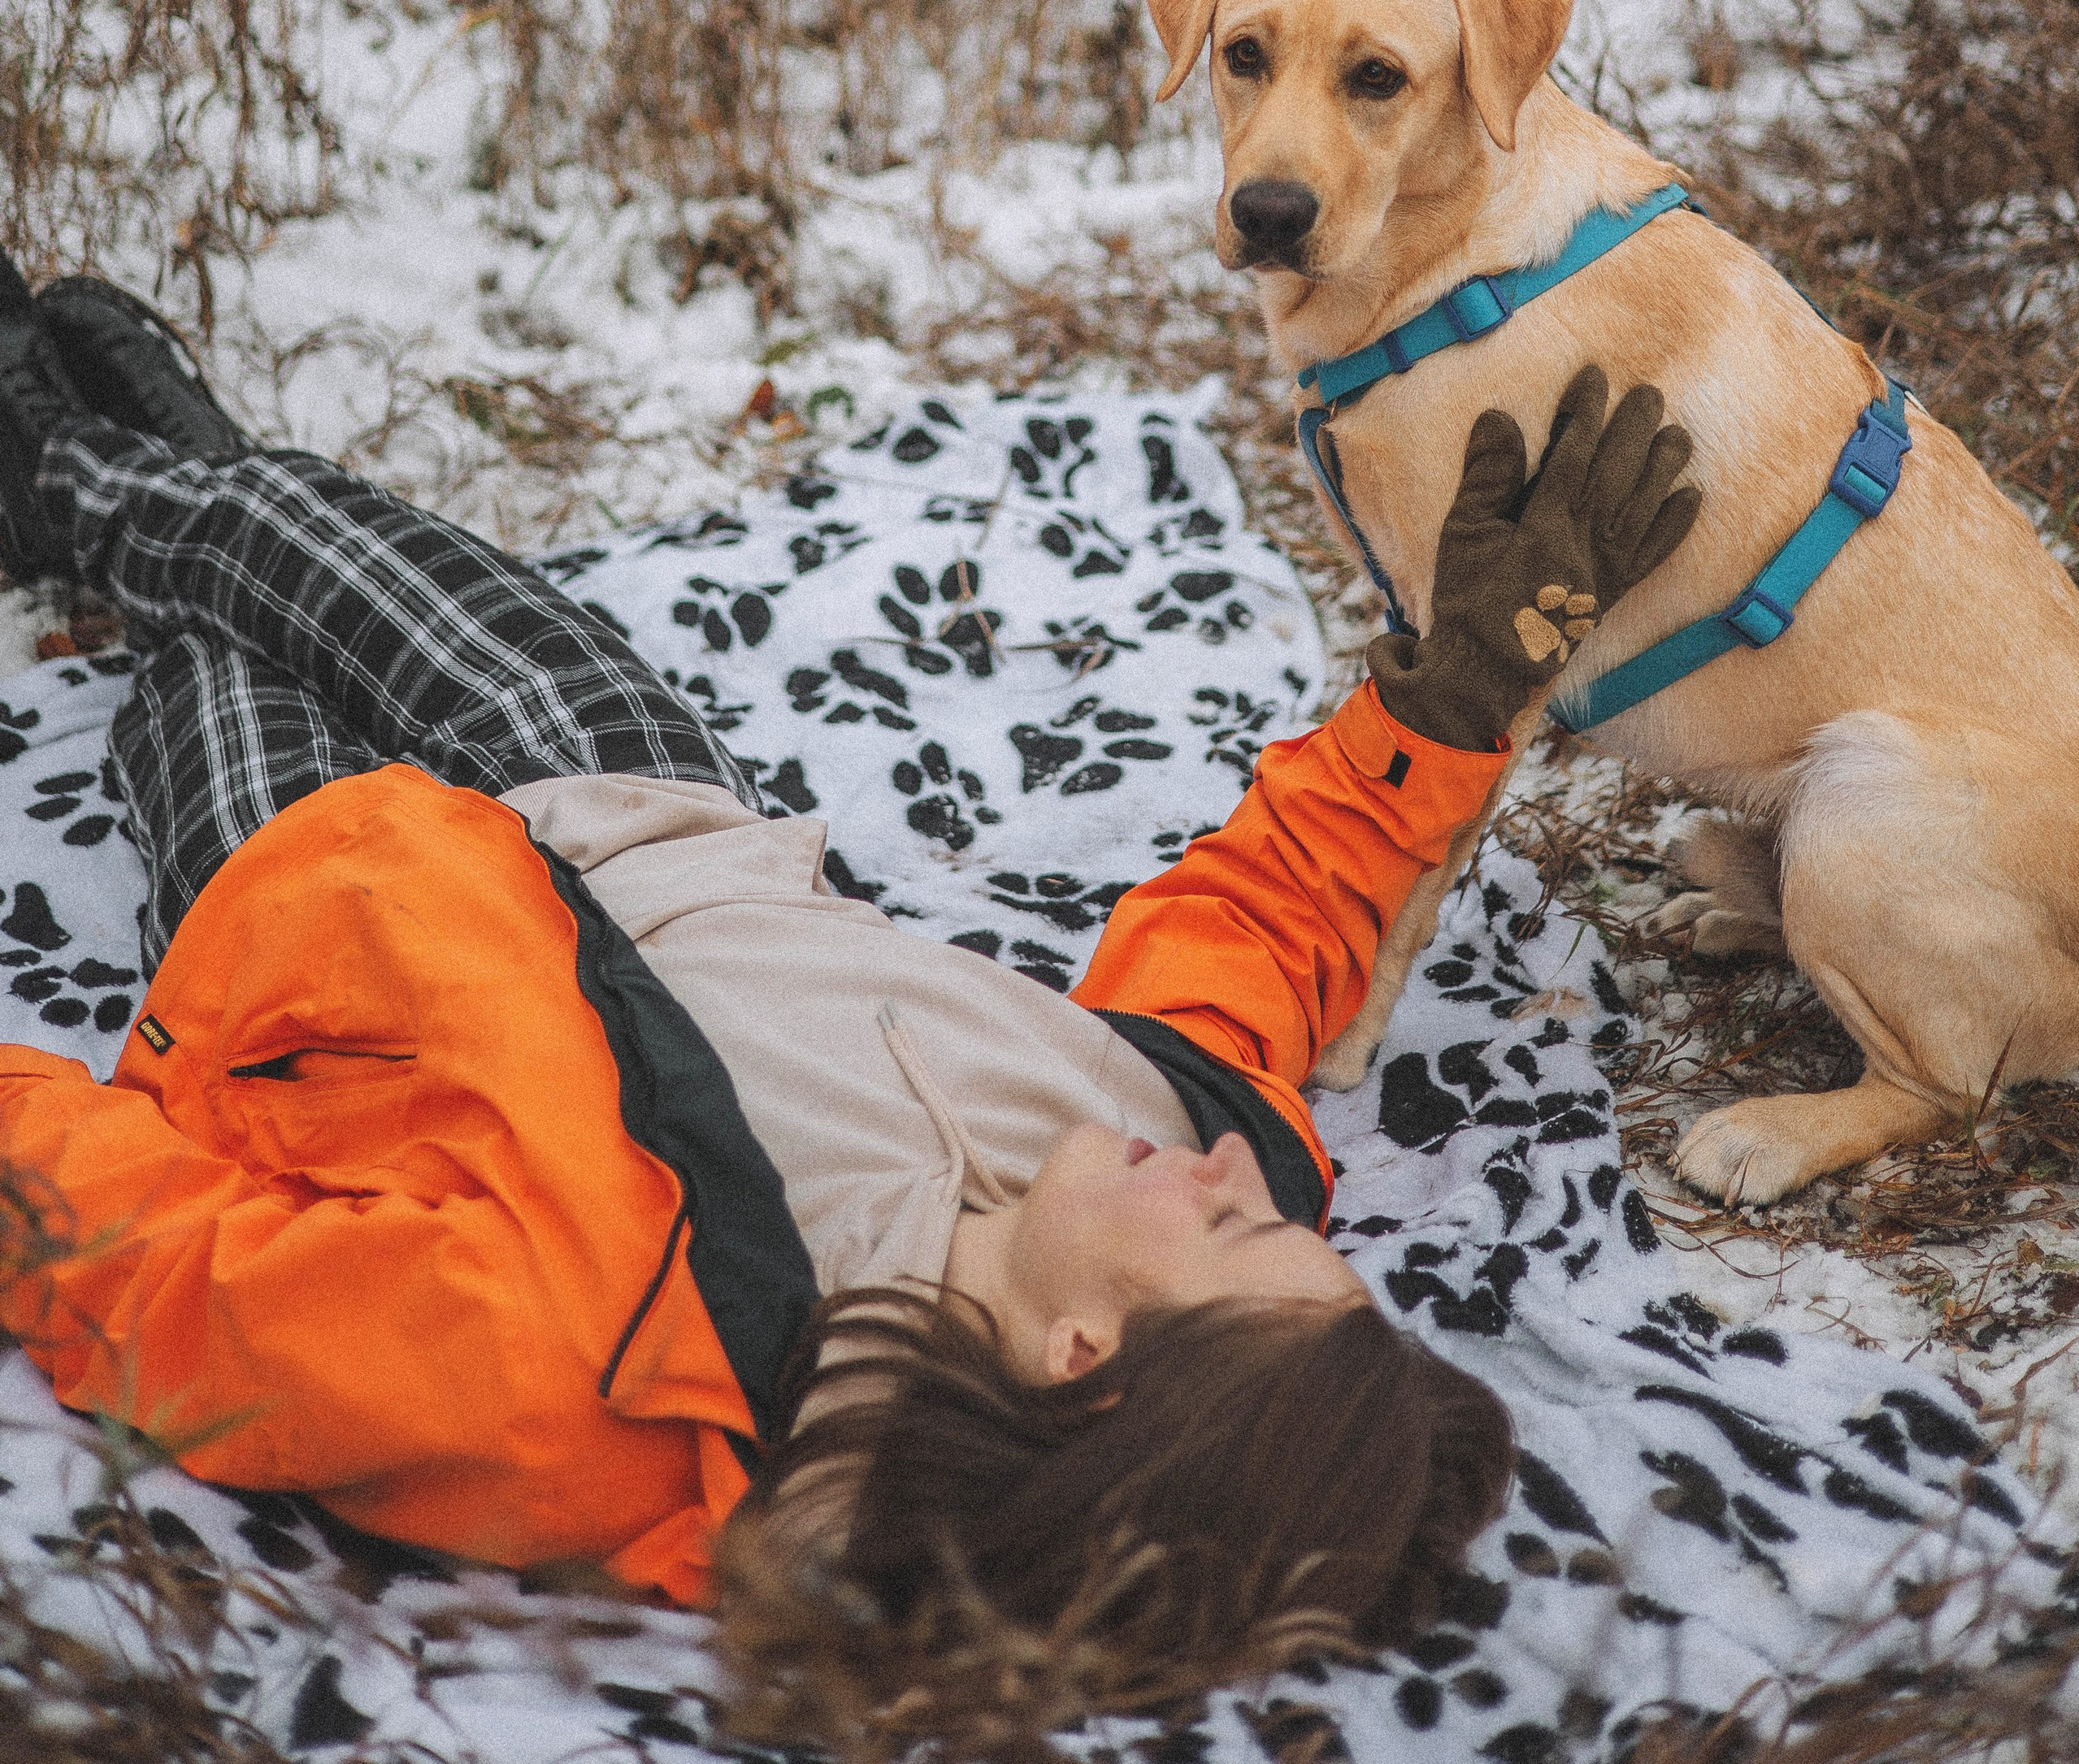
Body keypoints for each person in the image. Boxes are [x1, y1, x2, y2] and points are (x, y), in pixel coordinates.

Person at [0, 260, 1699, 1744]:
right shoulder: (1142, 1141)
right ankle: (112, 469)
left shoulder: (596, 1393)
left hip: (322, 909)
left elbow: (151, 1261)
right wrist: (1457, 692)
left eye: (1240, 1235)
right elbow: (1268, 925)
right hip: (632, 792)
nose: (1244, 1176)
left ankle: (100, 470)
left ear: (1080, 1356)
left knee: (211, 649)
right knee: (284, 536)